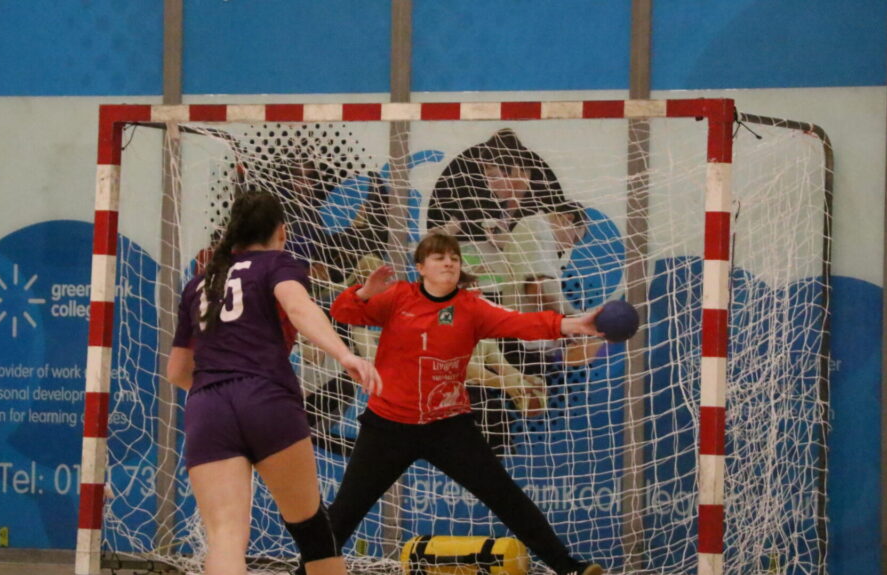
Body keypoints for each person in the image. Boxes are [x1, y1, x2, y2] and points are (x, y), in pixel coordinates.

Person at [298, 232, 605, 575]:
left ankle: (568, 568)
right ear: (420, 267)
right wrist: (366, 291)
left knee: (506, 498)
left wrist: (575, 324)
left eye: (454, 258)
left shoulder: (472, 308)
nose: (448, 262)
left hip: (448, 427)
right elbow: (345, 312)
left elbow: (524, 323)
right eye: (438, 257)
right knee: (344, 513)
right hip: (388, 426)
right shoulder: (399, 297)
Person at [166, 190, 383, 575]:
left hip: (207, 405)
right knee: (312, 528)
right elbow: (299, 307)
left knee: (226, 538)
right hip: (266, 398)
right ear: (281, 232)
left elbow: (178, 372)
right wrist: (345, 354)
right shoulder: (276, 263)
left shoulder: (199, 283)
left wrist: (218, 399)